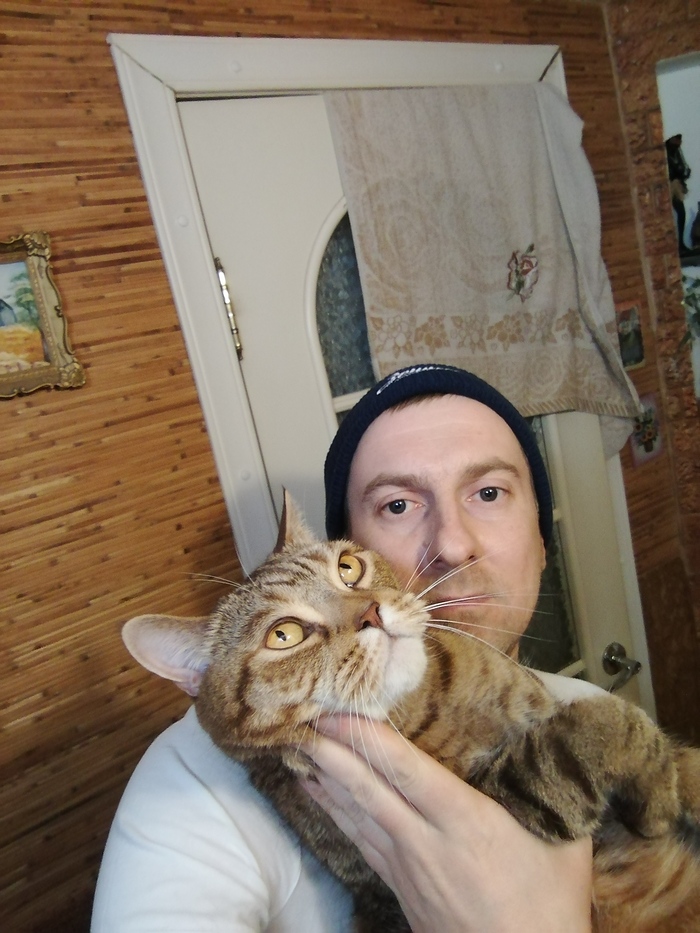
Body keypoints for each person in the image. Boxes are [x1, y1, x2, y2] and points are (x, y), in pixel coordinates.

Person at [92, 364, 598, 932]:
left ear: (541, 538)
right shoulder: (192, 783)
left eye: (488, 492)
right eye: (397, 505)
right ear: (352, 543)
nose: (454, 546)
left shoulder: (584, 708)